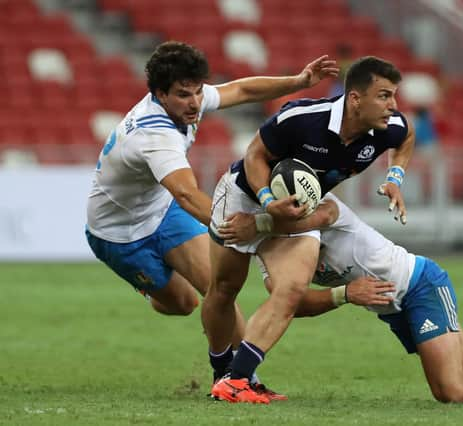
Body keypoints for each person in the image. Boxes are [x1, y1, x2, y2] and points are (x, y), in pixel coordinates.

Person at [224, 193, 463, 404]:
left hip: (419, 284)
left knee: (452, 389)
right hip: (391, 306)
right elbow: (291, 304)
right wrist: (344, 295)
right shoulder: (270, 252)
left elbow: (314, 217)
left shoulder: (321, 207)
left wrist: (259, 223)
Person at [204, 56, 416, 403]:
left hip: (299, 212)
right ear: (355, 99)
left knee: (291, 289)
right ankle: (220, 368)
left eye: (394, 96)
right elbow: (255, 155)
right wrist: (267, 198)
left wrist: (395, 178)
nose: (392, 106)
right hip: (245, 197)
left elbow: (407, 137)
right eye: (383, 96)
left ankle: (236, 380)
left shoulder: (387, 126)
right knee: (225, 289)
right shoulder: (301, 119)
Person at [85, 41, 339, 321]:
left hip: (163, 212)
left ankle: (238, 367)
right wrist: (252, 229)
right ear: (160, 94)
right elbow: (187, 196)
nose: (195, 103)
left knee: (220, 291)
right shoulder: (156, 136)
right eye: (184, 95)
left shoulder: (186, 99)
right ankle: (153, 289)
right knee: (182, 304)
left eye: (197, 92)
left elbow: (242, 90)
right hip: (118, 234)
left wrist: (298, 81)